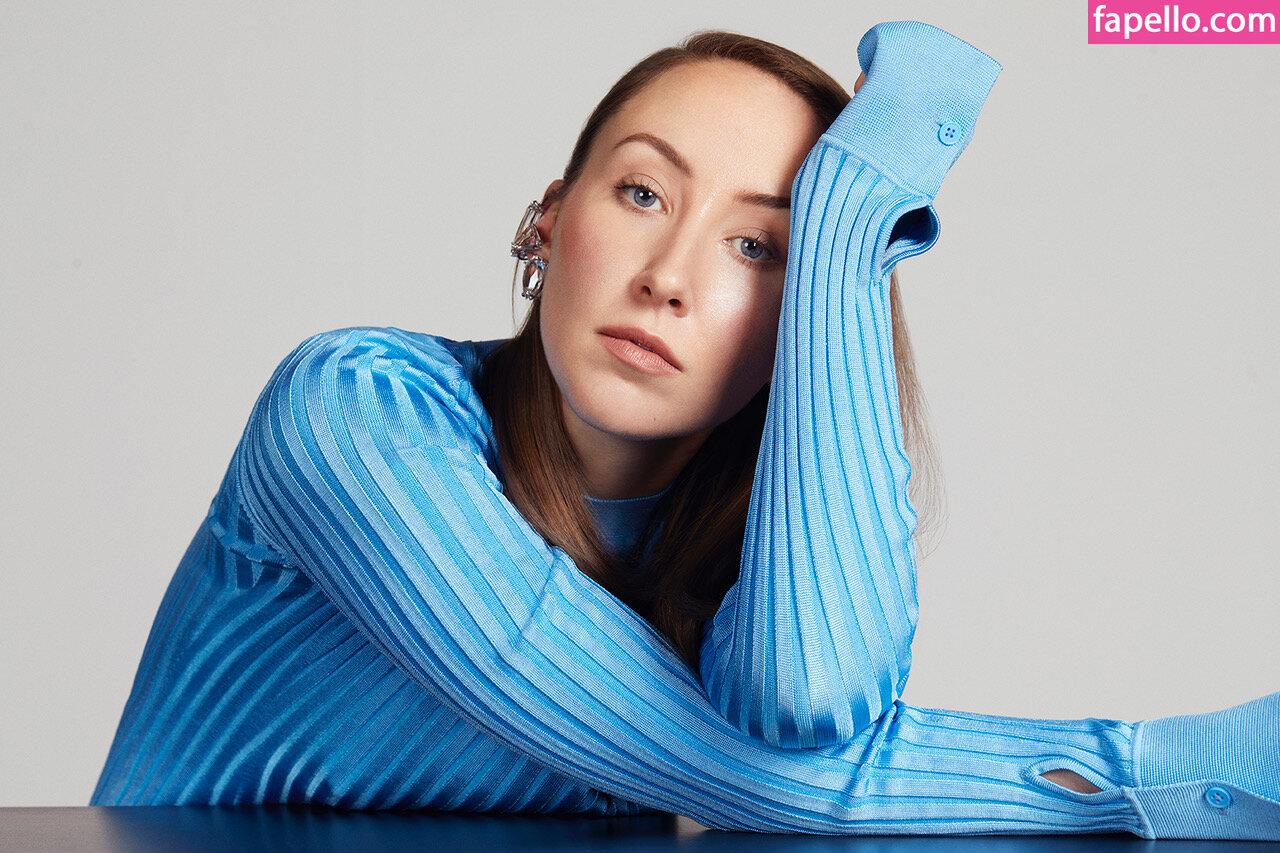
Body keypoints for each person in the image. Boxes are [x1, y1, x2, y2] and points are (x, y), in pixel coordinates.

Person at [91, 20, 1279, 839]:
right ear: (548, 221)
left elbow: (809, 705)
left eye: (758, 246)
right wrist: (1144, 771)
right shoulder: (350, 414)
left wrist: (849, 230)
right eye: (642, 192)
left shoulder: (732, 556)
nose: (668, 276)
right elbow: (730, 770)